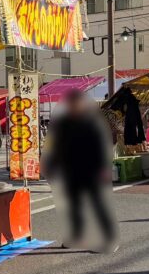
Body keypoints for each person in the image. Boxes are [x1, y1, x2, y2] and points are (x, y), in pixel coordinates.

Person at [44, 89, 118, 252]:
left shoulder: (93, 122)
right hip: (70, 170)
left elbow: (103, 147)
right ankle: (75, 236)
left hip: (92, 171)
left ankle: (110, 239)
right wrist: (50, 166)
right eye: (70, 104)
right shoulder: (63, 123)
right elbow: (55, 146)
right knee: (73, 206)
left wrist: (104, 168)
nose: (72, 107)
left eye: (75, 103)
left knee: (98, 205)